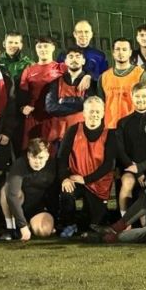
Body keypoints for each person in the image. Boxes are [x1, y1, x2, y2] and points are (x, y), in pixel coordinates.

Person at [56, 97, 118, 238]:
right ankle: (68, 224)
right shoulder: (73, 130)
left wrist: (86, 179)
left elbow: (109, 164)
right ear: (84, 113)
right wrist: (65, 178)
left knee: (92, 224)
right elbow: (62, 158)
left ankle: (87, 224)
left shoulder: (110, 134)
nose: (94, 115)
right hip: (76, 179)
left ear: (103, 113)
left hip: (98, 184)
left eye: (97, 111)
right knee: (67, 192)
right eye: (91, 111)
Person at [115, 85, 146, 219]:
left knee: (145, 208)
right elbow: (120, 150)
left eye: (144, 96)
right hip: (129, 168)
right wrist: (136, 170)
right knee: (128, 182)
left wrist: (141, 168)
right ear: (132, 97)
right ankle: (124, 222)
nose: (140, 99)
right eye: (137, 96)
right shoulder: (123, 122)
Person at [1, 138, 58, 240]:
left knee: (43, 231)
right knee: (6, 190)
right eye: (34, 157)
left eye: (41, 158)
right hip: (19, 204)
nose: (37, 162)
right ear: (28, 155)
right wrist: (23, 226)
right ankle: (11, 228)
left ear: (47, 156)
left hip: (38, 206)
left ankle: (29, 225)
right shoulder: (19, 164)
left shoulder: (53, 165)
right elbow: (12, 195)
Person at [15, 37, 63, 149]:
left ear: (53, 48)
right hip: (33, 117)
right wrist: (23, 108)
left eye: (46, 46)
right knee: (32, 150)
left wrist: (87, 76)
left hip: (53, 117)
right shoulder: (29, 70)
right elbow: (22, 95)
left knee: (52, 151)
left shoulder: (61, 68)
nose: (43, 49)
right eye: (39, 47)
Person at [98, 38, 146, 129]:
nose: (121, 52)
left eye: (124, 49)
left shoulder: (141, 74)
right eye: (117, 49)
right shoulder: (104, 77)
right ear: (113, 53)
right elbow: (100, 105)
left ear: (130, 53)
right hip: (110, 127)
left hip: (134, 127)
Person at [44, 47, 92, 143]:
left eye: (78, 56)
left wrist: (64, 101)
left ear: (83, 61)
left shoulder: (91, 82)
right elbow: (50, 107)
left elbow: (90, 105)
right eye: (71, 56)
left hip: (82, 133)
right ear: (65, 61)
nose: (74, 59)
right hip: (59, 134)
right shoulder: (55, 82)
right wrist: (80, 107)